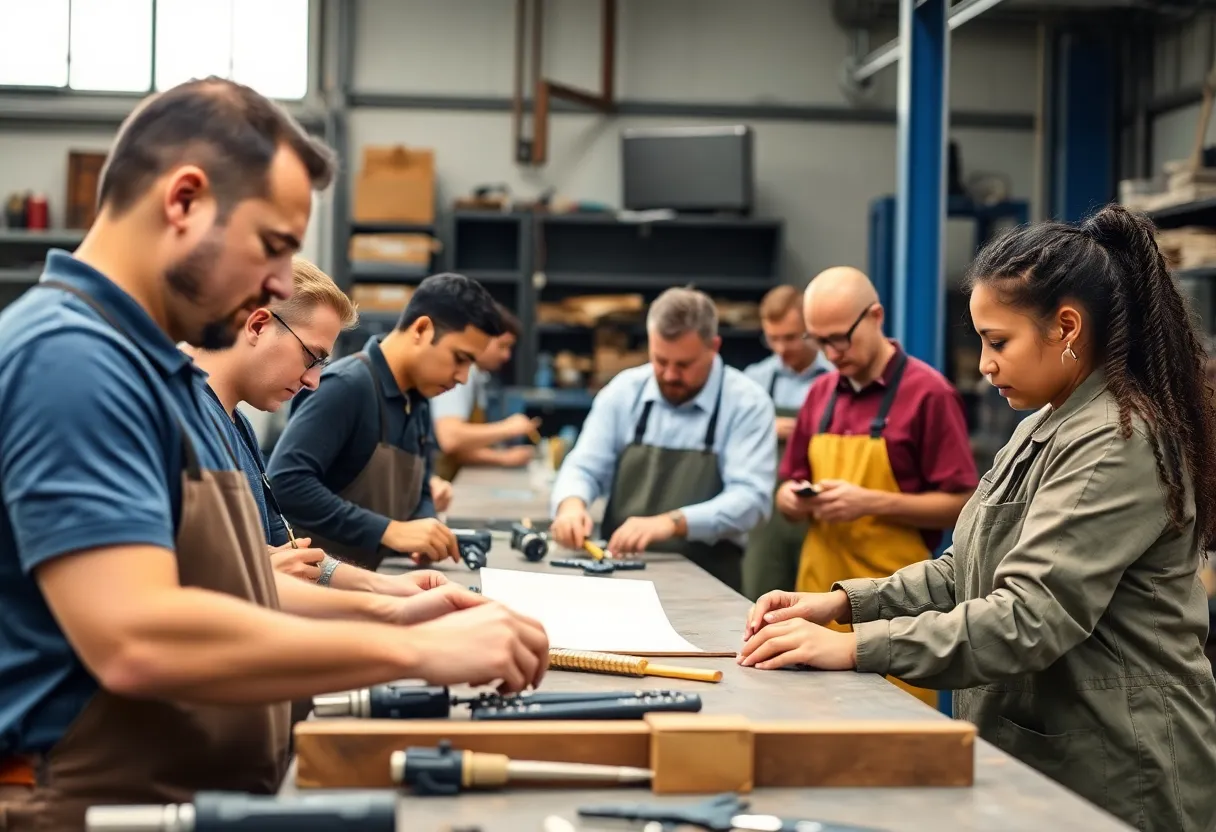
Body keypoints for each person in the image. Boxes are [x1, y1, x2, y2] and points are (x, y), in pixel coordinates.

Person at [0, 78, 548, 831]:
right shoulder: (73, 360)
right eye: (275, 245)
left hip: (171, 795)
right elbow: (137, 636)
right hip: (90, 806)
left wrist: (401, 619)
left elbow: (227, 586)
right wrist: (414, 655)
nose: (281, 283)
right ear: (184, 201)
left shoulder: (151, 371)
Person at [740, 205, 1216, 832]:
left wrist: (857, 648)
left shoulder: (1114, 441)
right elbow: (964, 569)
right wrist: (841, 605)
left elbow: (1028, 615)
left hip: (1119, 767)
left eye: (998, 343)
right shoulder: (1040, 426)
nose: (985, 365)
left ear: (1066, 327)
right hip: (1046, 746)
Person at [770, 267, 977, 707]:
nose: (829, 354)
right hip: (817, 599)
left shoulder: (929, 395)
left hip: (896, 612)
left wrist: (870, 502)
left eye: (838, 339)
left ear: (875, 316)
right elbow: (787, 488)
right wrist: (790, 499)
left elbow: (964, 506)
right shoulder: (819, 394)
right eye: (818, 341)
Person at [185, 255, 451, 596]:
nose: (314, 381)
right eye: (311, 357)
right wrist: (254, 570)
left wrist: (387, 585)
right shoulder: (183, 417)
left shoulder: (239, 427)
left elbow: (287, 552)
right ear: (257, 326)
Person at [267, 272, 505, 571]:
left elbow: (421, 487)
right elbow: (287, 483)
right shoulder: (346, 387)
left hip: (368, 578)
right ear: (422, 329)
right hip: (314, 585)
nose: (462, 377)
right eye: (460, 358)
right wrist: (390, 531)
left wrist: (425, 526)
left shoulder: (417, 399)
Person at [548, 287, 776, 593]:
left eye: (683, 365)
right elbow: (584, 466)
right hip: (619, 580)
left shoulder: (747, 404)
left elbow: (752, 500)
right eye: (659, 360)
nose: (669, 374)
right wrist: (571, 506)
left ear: (714, 347)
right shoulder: (624, 391)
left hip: (710, 589)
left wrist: (672, 523)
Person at [740, 284, 832, 600]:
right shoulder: (755, 379)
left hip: (823, 508)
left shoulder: (836, 378)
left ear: (811, 329)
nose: (781, 348)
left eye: (790, 337)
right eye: (773, 338)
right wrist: (765, 426)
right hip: (768, 514)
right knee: (760, 600)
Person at [431, 301, 539, 481]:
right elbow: (450, 438)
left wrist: (503, 458)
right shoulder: (461, 374)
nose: (506, 356)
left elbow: (461, 449)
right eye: (502, 346)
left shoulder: (478, 378)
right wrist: (508, 428)